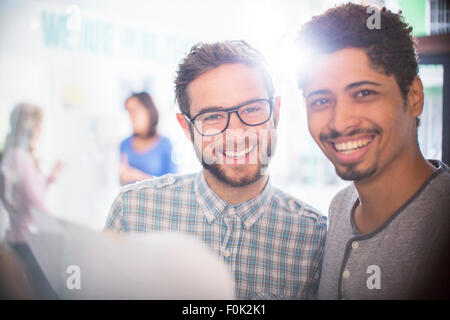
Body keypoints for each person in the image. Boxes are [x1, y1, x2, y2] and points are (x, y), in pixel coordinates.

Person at [105, 40, 327, 300]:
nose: (235, 135)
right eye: (212, 117)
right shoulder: (132, 212)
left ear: (275, 113)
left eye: (252, 109)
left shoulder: (314, 236)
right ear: (187, 129)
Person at [296, 3, 449, 299]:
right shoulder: (340, 206)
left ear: (414, 97)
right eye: (320, 101)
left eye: (364, 93)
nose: (339, 123)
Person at [0, 103, 62, 299]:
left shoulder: (14, 156)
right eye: (40, 125)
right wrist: (62, 227)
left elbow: (28, 195)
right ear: (30, 127)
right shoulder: (20, 158)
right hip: (28, 241)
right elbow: (35, 203)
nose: (42, 130)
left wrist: (51, 177)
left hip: (20, 237)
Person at [119, 92, 177, 185]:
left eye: (134, 111)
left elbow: (173, 183)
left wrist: (137, 176)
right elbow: (121, 181)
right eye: (128, 112)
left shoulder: (165, 144)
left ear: (149, 111)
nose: (131, 117)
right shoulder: (124, 144)